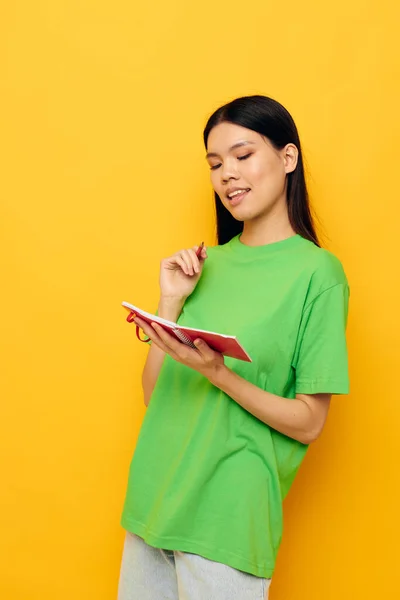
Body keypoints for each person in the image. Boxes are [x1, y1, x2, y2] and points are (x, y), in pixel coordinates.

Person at [117, 95, 349, 600]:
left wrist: (219, 373)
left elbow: (310, 422)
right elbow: (153, 396)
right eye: (216, 164)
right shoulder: (203, 266)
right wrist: (170, 301)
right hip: (154, 501)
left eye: (243, 156)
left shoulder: (318, 274)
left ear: (288, 159)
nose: (227, 175)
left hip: (227, 516)